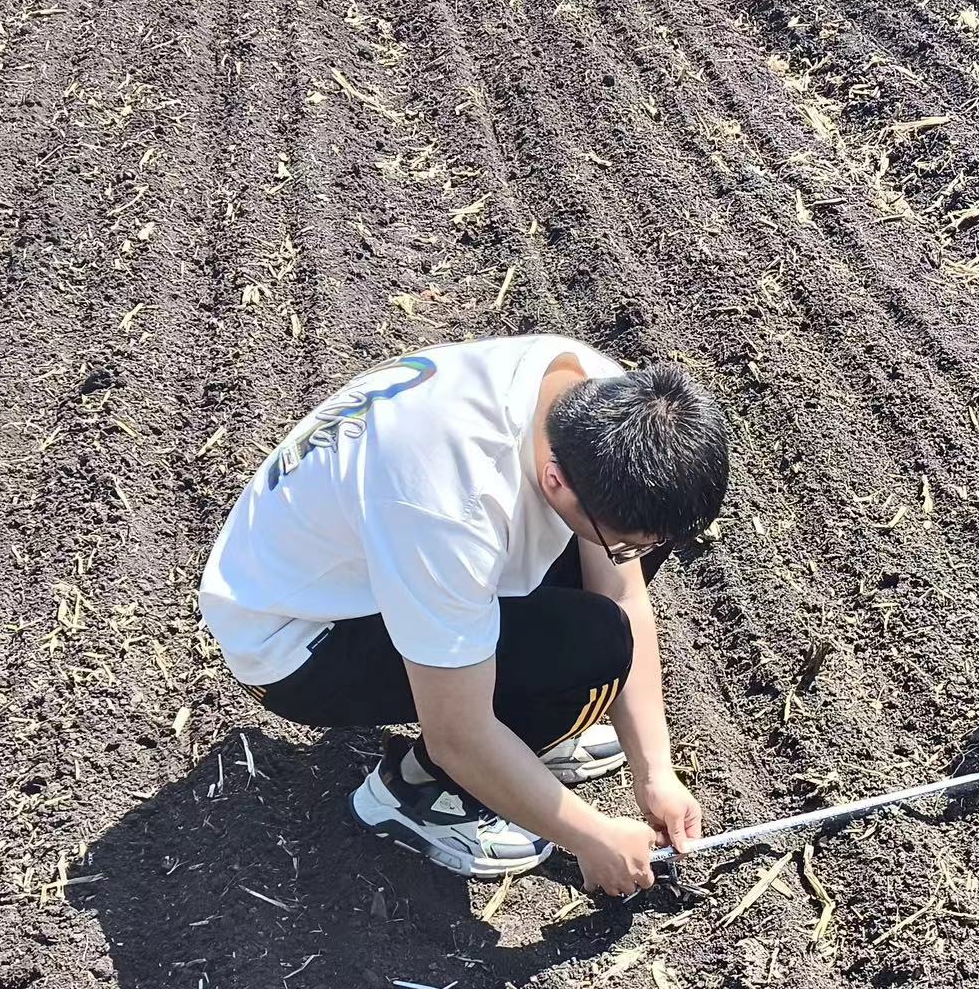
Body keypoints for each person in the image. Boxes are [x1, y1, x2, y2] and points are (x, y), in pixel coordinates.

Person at [199, 335, 729, 894]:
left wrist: (656, 775)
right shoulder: (450, 507)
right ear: (557, 481)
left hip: (372, 566)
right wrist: (591, 837)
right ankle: (419, 792)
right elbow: (459, 732)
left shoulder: (597, 398)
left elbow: (621, 593)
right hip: (294, 640)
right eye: (620, 544)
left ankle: (525, 739)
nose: (629, 558)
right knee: (590, 648)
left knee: (618, 574)